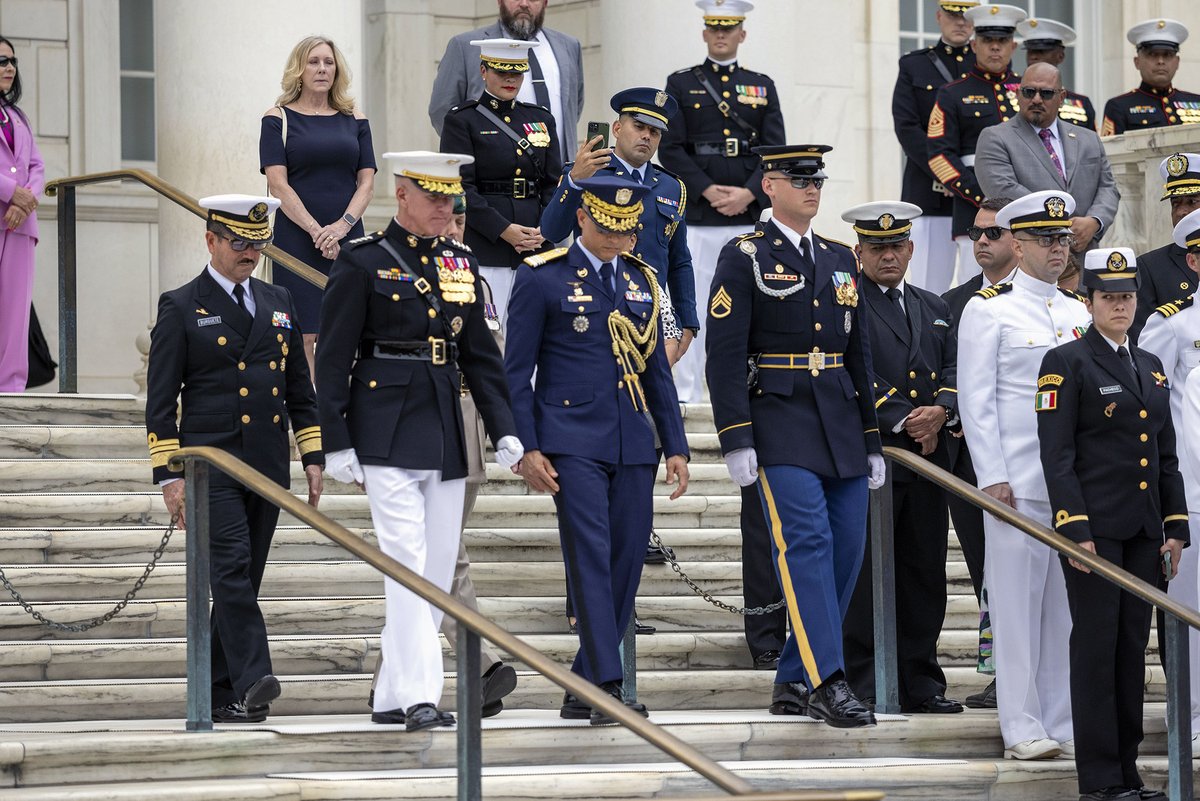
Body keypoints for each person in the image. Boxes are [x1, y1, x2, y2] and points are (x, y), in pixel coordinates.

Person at [315, 152, 523, 732]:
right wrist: (335, 440)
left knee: (432, 569)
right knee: (405, 562)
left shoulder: (460, 261)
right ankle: (420, 696)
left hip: (444, 427)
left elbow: (480, 355)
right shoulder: (363, 262)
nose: (446, 208)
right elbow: (332, 360)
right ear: (401, 195)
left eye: (450, 198)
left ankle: (389, 692)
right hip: (382, 427)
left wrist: (504, 428)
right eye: (433, 197)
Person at [705, 144, 885, 728]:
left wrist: (872, 438)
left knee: (847, 555)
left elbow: (857, 353)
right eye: (798, 179)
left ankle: (792, 676)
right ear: (770, 185)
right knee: (806, 545)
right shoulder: (745, 255)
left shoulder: (838, 257)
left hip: (837, 420)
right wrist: (735, 436)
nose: (812, 188)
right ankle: (829, 681)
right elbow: (725, 354)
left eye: (817, 179)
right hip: (778, 420)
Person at [505, 175, 690, 725]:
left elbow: (656, 371)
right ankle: (609, 684)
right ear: (583, 216)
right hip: (570, 440)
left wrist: (674, 443)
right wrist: (527, 446)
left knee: (627, 558)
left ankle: (582, 679)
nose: (620, 240)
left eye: (628, 231)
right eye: (610, 228)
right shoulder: (542, 276)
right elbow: (516, 373)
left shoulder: (642, 280)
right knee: (590, 556)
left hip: (633, 439)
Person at [145, 194, 325, 723]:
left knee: (246, 577)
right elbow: (160, 404)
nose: (250, 252)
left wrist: (312, 454)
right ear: (211, 241)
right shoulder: (181, 305)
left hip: (267, 464)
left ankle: (219, 690)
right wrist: (168, 477)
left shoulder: (279, 300)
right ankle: (255, 676)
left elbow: (300, 389)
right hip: (211, 464)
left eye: (257, 242)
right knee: (230, 569)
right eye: (239, 242)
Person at [1037, 247, 1187, 801]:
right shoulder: (1066, 360)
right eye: (1110, 297)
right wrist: (1074, 529)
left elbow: (1163, 452)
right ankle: (1099, 778)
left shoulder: (1148, 364)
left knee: (1131, 647)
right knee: (1097, 649)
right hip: (1095, 531)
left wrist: (1174, 524)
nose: (1121, 305)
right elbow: (1057, 455)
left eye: (1127, 296)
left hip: (1144, 530)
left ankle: (1127, 769)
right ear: (1089, 300)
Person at [365, 194, 519, 721]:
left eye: (458, 218)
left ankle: (395, 682)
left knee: (436, 556)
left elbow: (485, 354)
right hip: (404, 424)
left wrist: (506, 430)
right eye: (445, 215)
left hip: (459, 430)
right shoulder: (378, 261)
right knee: (430, 560)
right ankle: (456, 671)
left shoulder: (466, 273)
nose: (451, 227)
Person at [957, 189, 1090, 760]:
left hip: (1072, 487)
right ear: (1016, 242)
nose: (1057, 250)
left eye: (1062, 239)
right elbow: (976, 399)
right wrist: (991, 476)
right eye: (1044, 239)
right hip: (1017, 482)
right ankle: (1021, 726)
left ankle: (1059, 719)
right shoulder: (989, 309)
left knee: (1063, 613)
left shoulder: (1078, 311)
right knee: (1014, 609)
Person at [839, 201, 962, 715]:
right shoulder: (846, 303)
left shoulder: (935, 305)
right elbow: (847, 366)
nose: (887, 256)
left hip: (931, 461)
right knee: (869, 573)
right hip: (878, 457)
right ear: (859, 252)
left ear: (911, 249)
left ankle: (920, 678)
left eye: (896, 246)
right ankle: (866, 678)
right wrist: (903, 415)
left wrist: (942, 410)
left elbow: (956, 364)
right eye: (876, 248)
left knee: (923, 573)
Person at [659, 0, 786, 404]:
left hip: (746, 212)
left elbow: (776, 147)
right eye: (714, 27)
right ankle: (688, 392)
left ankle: (744, 391)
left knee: (748, 302)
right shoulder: (680, 83)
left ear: (741, 34)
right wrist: (705, 189)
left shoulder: (762, 84)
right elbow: (671, 148)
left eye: (728, 28)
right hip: (698, 213)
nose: (720, 34)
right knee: (691, 300)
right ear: (704, 33)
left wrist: (751, 190)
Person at [940, 196, 1019, 711]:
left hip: (1034, 461)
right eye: (976, 233)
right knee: (987, 572)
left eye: (993, 233)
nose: (982, 241)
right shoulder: (951, 302)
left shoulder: (1054, 298)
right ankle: (1000, 673)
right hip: (970, 464)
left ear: (1019, 240)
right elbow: (945, 373)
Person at [540, 87, 696, 346]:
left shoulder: (672, 187)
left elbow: (679, 260)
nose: (646, 136)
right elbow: (552, 231)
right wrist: (574, 181)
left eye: (654, 132)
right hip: (594, 307)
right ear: (616, 129)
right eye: (638, 126)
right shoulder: (586, 172)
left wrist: (687, 323)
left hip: (650, 314)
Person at [260, 36, 376, 379]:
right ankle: (310, 419)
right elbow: (278, 185)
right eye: (313, 62)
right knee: (304, 332)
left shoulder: (354, 117)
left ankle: (340, 411)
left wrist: (341, 227)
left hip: (347, 235)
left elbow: (367, 184)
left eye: (328, 62)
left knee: (345, 328)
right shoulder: (276, 119)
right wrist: (316, 231)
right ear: (299, 69)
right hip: (297, 237)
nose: (322, 69)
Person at [1128, 207, 1200, 753]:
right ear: (1193, 260)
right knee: (1191, 618)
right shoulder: (1174, 324)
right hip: (1194, 492)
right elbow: (1151, 413)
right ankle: (1193, 719)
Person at [439, 38, 563, 330]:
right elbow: (461, 187)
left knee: (532, 340)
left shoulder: (540, 119)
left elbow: (551, 183)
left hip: (536, 245)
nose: (510, 79)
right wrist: (504, 231)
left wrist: (545, 229)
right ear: (483, 71)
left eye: (517, 72)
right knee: (487, 337)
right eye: (501, 71)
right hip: (487, 246)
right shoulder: (462, 120)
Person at [975, 63, 1119, 254]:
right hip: (1028, 254)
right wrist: (1061, 223)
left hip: (1083, 254)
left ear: (1061, 97)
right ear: (1018, 94)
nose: (1036, 99)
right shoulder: (995, 137)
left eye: (1046, 93)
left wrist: (1094, 222)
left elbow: (1107, 187)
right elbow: (1002, 189)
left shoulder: (1089, 138)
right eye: (1028, 92)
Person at [927, 3, 1026, 283]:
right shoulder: (952, 94)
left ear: (1014, 46)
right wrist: (981, 196)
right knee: (977, 292)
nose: (995, 47)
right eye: (987, 40)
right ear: (973, 44)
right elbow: (939, 155)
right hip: (974, 208)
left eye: (1002, 40)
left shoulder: (1028, 92)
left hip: (1024, 206)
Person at [429, 0, 584, 165]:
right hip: (490, 176)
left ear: (545, 3)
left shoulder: (569, 45)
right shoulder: (464, 46)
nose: (524, 4)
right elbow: (442, 110)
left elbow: (574, 106)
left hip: (560, 174)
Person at [891, 1, 977, 294]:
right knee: (927, 287)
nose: (961, 22)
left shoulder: (983, 69)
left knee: (976, 288)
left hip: (974, 193)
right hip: (929, 191)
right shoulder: (914, 65)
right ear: (939, 17)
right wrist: (946, 173)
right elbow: (907, 127)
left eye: (967, 17)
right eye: (954, 15)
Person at [0, 36, 44, 392]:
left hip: (20, 225)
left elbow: (36, 166)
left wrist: (26, 199)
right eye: (1, 61)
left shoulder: (17, 116)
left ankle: (11, 389)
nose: (10, 68)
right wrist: (10, 192)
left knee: (16, 311)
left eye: (12, 61)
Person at [1132, 153, 1200, 340]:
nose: (1181, 212)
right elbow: (1142, 341)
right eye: (1175, 204)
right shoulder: (1150, 267)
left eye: (1192, 202)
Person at [1102, 19, 1200, 137]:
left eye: (1167, 55)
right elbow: (1111, 153)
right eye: (1152, 54)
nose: (1160, 61)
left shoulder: (1196, 102)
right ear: (1137, 62)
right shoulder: (1119, 106)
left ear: (1177, 62)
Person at [1016, 18, 1096, 130]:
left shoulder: (1082, 104)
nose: (1033, 56)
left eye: (1041, 51)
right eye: (1030, 51)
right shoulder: (1018, 97)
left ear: (1060, 56)